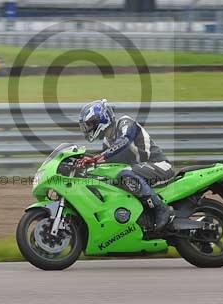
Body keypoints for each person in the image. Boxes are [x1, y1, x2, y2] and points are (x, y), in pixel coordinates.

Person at [75, 99, 175, 231]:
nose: (87, 129)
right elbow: (108, 163)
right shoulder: (107, 141)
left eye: (89, 124)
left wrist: (101, 156)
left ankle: (161, 208)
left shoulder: (125, 123)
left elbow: (125, 141)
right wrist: (84, 161)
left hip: (159, 166)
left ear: (101, 119)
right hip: (140, 172)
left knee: (124, 174)